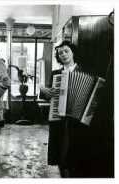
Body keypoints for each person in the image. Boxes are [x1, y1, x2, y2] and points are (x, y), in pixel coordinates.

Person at [39, 40, 89, 177]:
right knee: (61, 152)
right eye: (60, 53)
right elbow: (47, 94)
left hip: (78, 121)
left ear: (73, 53)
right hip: (59, 117)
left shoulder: (85, 71)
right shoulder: (56, 74)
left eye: (66, 51)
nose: (63, 54)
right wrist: (44, 90)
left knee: (76, 152)